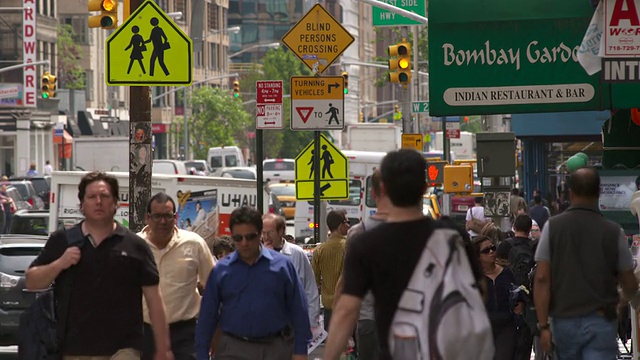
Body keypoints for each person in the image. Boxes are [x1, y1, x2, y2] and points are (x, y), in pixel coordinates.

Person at [323, 149, 485, 360]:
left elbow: (347, 309)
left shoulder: (365, 244)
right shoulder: (451, 236)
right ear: (424, 188)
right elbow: (479, 292)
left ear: (381, 190)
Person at [25, 171, 172, 360]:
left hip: (124, 349)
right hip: (74, 350)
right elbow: (31, 281)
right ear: (82, 205)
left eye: (104, 196)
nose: (98, 202)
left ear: (116, 203)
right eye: (92, 197)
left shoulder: (135, 246)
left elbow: (154, 300)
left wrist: (163, 349)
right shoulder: (62, 241)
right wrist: (60, 264)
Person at [534, 167, 640, 359]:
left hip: (564, 320)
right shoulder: (613, 232)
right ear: (598, 193)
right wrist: (622, 302)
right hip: (601, 320)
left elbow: (542, 278)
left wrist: (543, 326)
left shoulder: (553, 228)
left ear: (570, 193)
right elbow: (630, 282)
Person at [195, 206, 311, 360]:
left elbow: (299, 310)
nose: (244, 243)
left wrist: (301, 351)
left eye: (250, 237)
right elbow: (207, 316)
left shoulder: (282, 266)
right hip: (233, 349)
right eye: (238, 238)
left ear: (259, 234)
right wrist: (202, 354)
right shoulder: (221, 271)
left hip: (276, 349)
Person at [138, 193, 215, 360]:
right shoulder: (136, 246)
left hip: (185, 333)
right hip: (144, 333)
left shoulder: (194, 244)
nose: (163, 221)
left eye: (168, 216)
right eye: (157, 216)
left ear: (175, 217)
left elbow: (213, 286)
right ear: (147, 218)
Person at [333, 168, 387, 360]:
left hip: (368, 321)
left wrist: (343, 334)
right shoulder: (416, 231)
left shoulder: (358, 233)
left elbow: (345, 285)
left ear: (372, 194)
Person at [262, 213, 320, 328]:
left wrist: (312, 321)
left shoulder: (296, 253)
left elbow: (309, 288)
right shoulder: (257, 255)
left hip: (293, 323)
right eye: (263, 233)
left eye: (270, 232)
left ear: (281, 231)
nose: (266, 237)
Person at [476, 235, 521, 360]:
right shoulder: (474, 278)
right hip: (483, 328)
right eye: (486, 250)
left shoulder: (506, 273)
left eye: (493, 248)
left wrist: (519, 304)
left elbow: (516, 292)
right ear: (478, 257)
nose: (491, 252)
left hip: (506, 325)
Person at [312, 209, 349, 331]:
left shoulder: (320, 250)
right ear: (340, 225)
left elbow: (314, 280)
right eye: (347, 222)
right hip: (346, 305)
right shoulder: (349, 246)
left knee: (331, 345)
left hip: (328, 306)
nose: (348, 225)